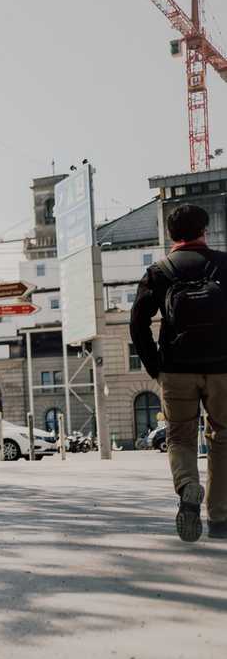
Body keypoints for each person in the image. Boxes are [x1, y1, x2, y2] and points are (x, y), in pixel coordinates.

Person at [131, 204, 227, 542]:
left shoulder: (159, 271)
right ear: (204, 230)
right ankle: (220, 519)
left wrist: (154, 367)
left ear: (172, 235)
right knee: (222, 438)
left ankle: (188, 486)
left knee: (180, 436)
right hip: (222, 369)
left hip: (176, 369)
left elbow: (138, 323)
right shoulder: (223, 263)